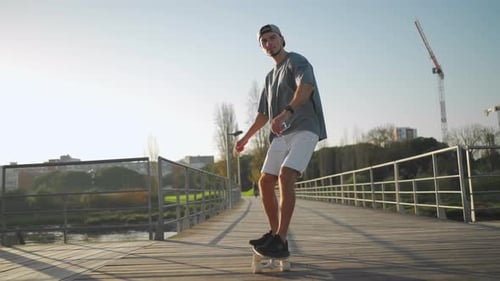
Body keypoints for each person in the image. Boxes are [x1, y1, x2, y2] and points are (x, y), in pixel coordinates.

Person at [235, 24, 327, 258]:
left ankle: (282, 240)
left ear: (282, 39)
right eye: (264, 41)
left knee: (286, 175)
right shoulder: (269, 77)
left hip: (305, 128)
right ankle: (275, 234)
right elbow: (263, 115)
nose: (269, 43)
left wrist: (286, 112)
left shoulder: (297, 61)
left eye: (272, 38)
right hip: (281, 134)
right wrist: (245, 138)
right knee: (265, 182)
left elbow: (305, 89)